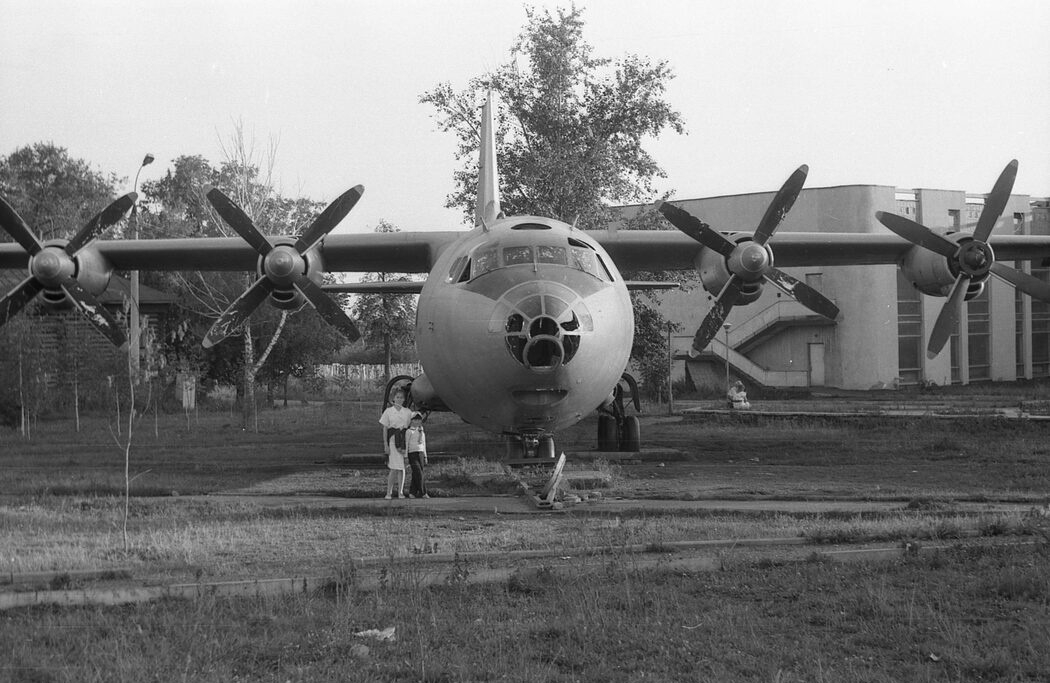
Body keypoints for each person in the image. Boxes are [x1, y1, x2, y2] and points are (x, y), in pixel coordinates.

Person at [378, 389, 412, 499]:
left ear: (404, 399)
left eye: (401, 397)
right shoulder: (388, 411)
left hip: (404, 441)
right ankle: (389, 492)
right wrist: (386, 445)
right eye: (397, 397)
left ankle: (400, 492)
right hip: (393, 441)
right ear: (393, 398)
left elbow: (412, 426)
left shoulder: (408, 412)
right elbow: (385, 429)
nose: (399, 399)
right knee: (393, 468)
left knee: (402, 467)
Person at [406, 412, 429, 499]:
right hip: (412, 454)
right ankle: (423, 492)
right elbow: (406, 444)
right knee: (418, 473)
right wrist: (405, 456)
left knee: (416, 474)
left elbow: (424, 443)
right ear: (411, 421)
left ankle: (412, 492)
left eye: (419, 420)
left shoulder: (421, 431)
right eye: (415, 420)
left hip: (421, 453)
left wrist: (425, 456)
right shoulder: (409, 431)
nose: (417, 422)